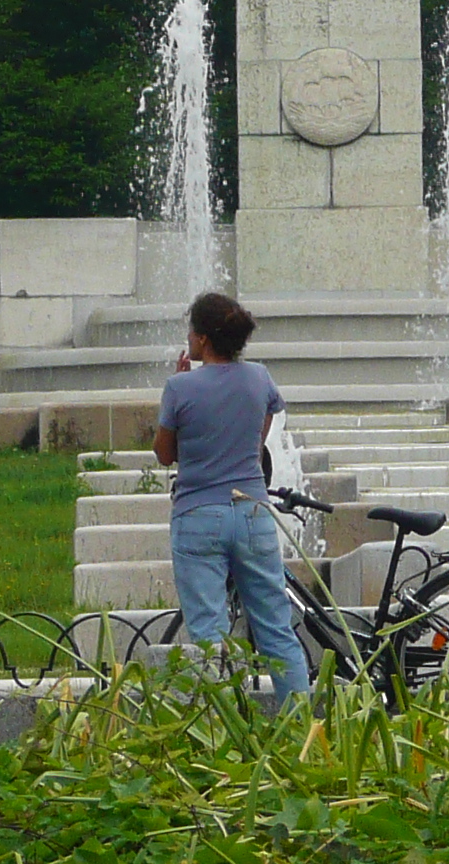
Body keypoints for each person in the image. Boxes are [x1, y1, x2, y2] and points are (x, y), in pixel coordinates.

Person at [153, 289, 310, 708]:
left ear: (203, 339)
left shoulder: (179, 386)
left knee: (210, 635)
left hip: (198, 515)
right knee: (276, 628)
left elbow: (165, 453)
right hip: (253, 511)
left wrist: (184, 383)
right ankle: (302, 731)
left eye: (191, 330)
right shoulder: (259, 378)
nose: (188, 337)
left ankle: (226, 734)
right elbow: (259, 437)